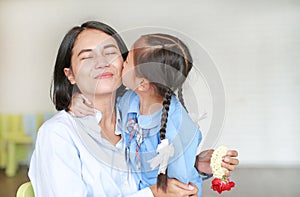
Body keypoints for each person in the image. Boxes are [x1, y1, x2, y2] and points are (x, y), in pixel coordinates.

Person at [28, 21, 201, 197]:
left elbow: (159, 166)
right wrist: (152, 194)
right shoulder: (57, 134)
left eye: (110, 53)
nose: (102, 62)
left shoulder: (138, 117)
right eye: (87, 57)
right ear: (70, 75)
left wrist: (196, 165)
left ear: (125, 63)